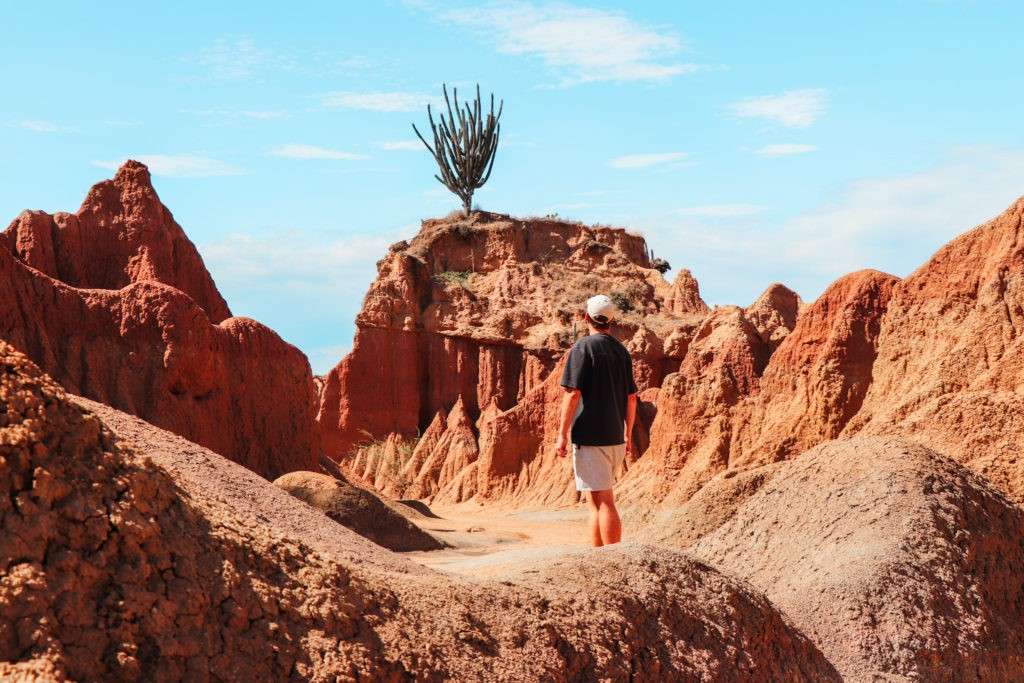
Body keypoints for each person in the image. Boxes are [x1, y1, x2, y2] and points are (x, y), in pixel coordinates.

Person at [555, 294, 638, 547]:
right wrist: (628, 434)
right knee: (594, 502)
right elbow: (632, 398)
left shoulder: (583, 348)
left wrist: (561, 433)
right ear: (612, 321)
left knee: (603, 502)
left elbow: (572, 393)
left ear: (585, 318)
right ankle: (598, 556)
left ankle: (611, 558)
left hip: (591, 438)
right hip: (614, 438)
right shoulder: (621, 351)